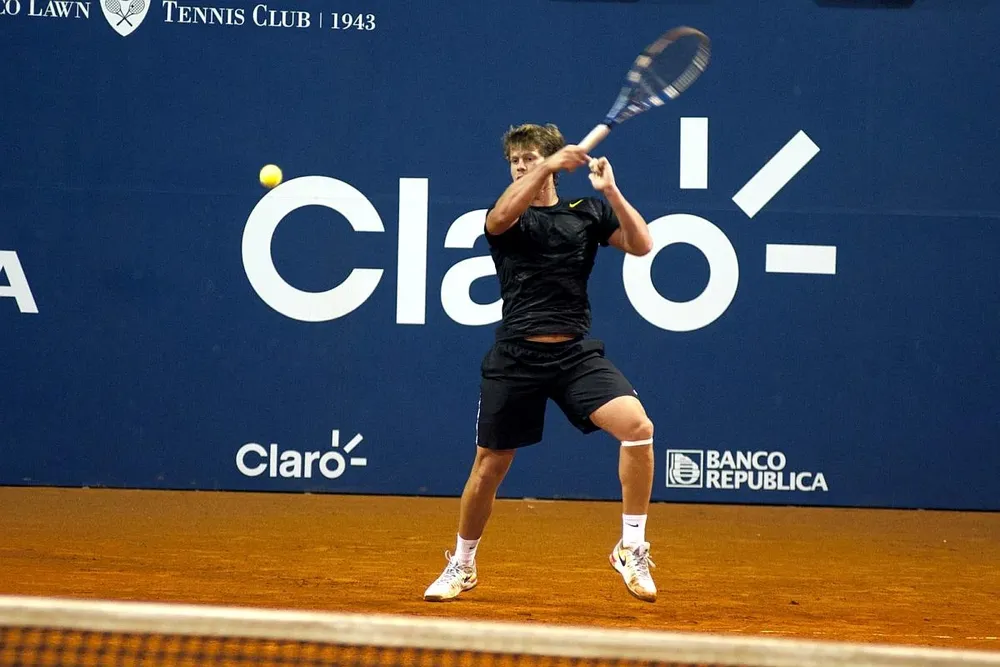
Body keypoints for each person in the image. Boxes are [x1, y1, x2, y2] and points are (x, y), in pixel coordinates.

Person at [423, 123, 658, 603]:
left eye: (531, 158)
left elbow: (641, 244)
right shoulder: (507, 216)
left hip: (574, 354)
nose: (521, 165)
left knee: (638, 427)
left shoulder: (587, 214)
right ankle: (462, 563)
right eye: (516, 160)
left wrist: (611, 190)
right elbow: (500, 217)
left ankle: (631, 547)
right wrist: (549, 165)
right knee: (489, 466)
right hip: (516, 356)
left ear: (550, 162)